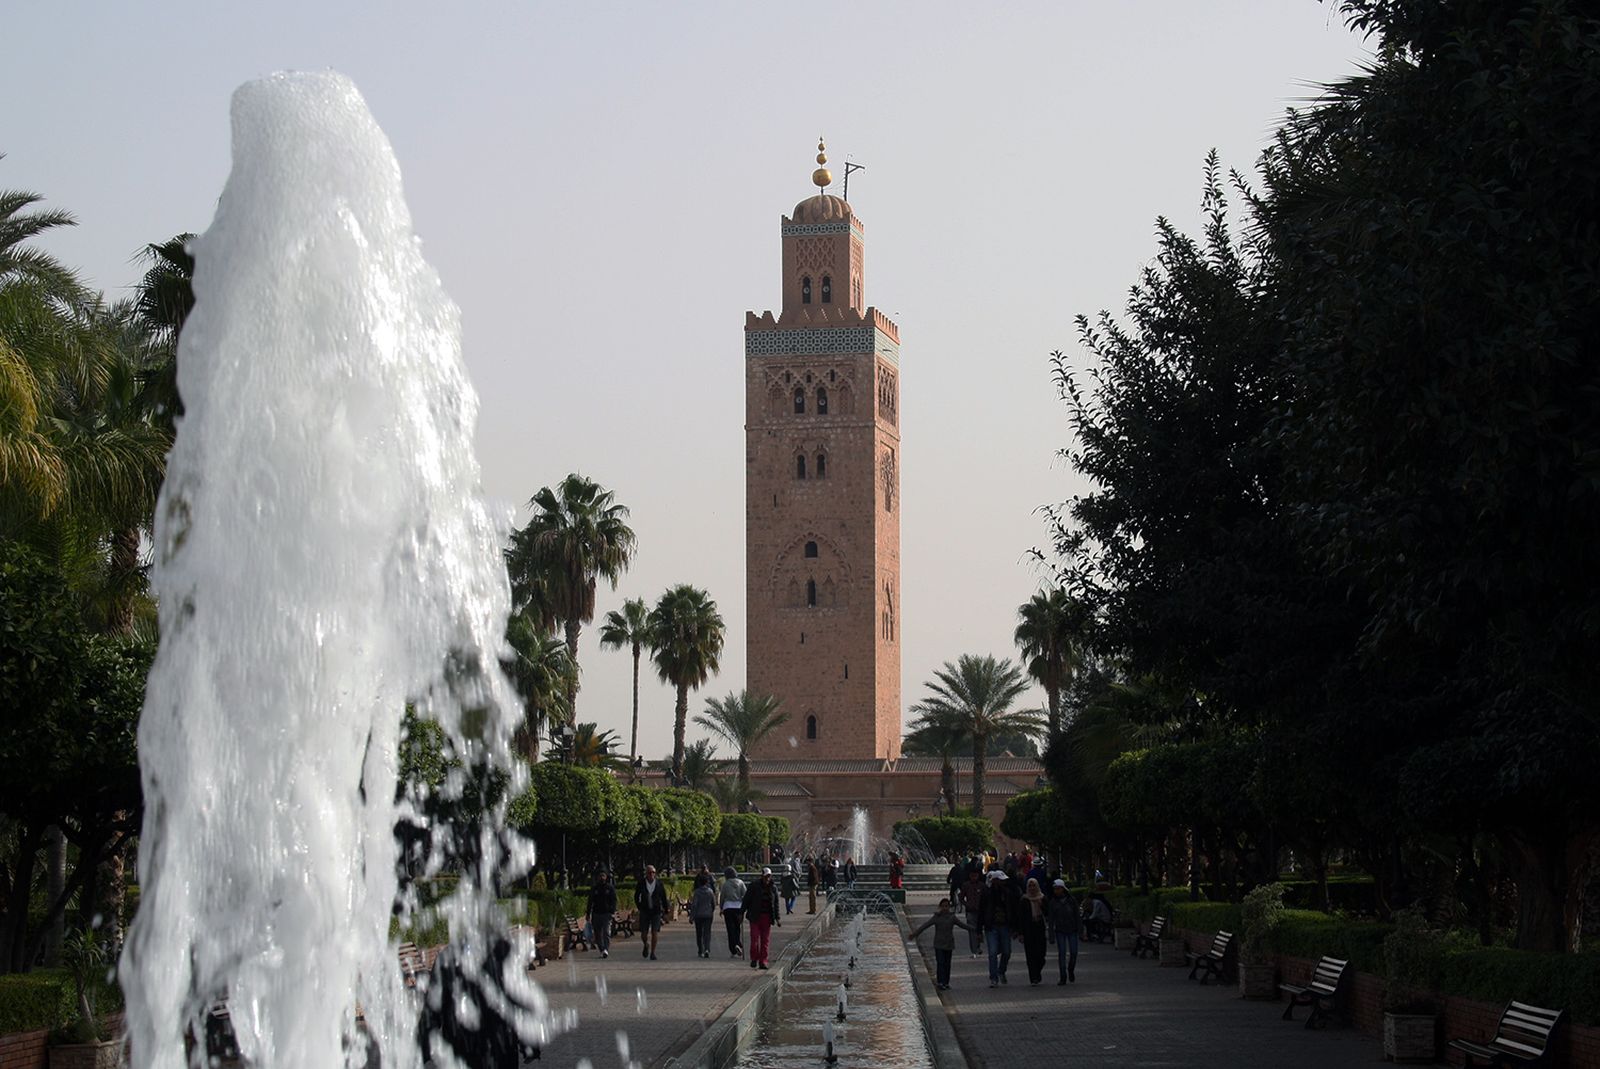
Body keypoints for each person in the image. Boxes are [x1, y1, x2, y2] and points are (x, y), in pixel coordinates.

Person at [909, 897, 972, 990]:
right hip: (939, 944)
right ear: (940, 907)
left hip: (949, 944)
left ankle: (946, 982)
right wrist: (915, 934)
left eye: (946, 906)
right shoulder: (936, 917)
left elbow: (962, 925)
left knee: (947, 964)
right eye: (943, 906)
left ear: (949, 907)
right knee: (940, 963)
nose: (945, 908)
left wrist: (974, 929)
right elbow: (925, 925)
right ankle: (940, 982)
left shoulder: (952, 917)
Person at [978, 869, 1018, 987]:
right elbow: (981, 912)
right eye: (1000, 880)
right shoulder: (987, 894)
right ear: (995, 881)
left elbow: (1014, 911)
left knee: (1006, 952)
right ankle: (993, 977)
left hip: (1005, 926)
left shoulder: (1008, 893)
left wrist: (1015, 928)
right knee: (992, 953)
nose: (1003, 882)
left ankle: (1001, 970)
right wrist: (979, 930)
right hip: (991, 926)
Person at [744, 867, 782, 970]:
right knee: (754, 939)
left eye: (769, 876)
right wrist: (741, 912)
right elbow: (746, 899)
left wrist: (777, 918)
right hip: (755, 916)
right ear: (762, 876)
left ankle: (763, 961)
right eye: (766, 876)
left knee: (765, 940)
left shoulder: (773, 888)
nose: (767, 879)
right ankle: (754, 958)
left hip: (767, 917)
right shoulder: (754, 886)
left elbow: (776, 904)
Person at [1047, 879, 1080, 984]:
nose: (1056, 891)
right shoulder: (1053, 902)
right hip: (1060, 930)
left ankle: (1070, 969)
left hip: (1072, 929)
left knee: (1074, 952)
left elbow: (1077, 915)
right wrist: (1051, 935)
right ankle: (1063, 976)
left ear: (1063, 889)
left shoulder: (1071, 900)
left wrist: (1081, 930)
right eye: (1055, 889)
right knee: (1062, 953)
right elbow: (1051, 920)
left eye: (1058, 889)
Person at [635, 864, 670, 960]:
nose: (651, 874)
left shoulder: (659, 884)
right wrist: (639, 906)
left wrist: (666, 910)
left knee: (654, 932)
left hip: (656, 911)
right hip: (645, 910)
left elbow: (663, 897)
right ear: (646, 873)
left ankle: (653, 953)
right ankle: (646, 944)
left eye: (653, 872)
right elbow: (636, 896)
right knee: (644, 933)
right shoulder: (641, 883)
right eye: (649, 872)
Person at [1021, 877, 1049, 984]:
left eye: (1034, 886)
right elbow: (1020, 917)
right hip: (1028, 928)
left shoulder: (1042, 898)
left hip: (1039, 926)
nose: (1032, 888)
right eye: (1030, 886)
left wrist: (1042, 905)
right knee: (1030, 953)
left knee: (1041, 953)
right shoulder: (1024, 900)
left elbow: (1048, 913)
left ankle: (1038, 970)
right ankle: (1033, 977)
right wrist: (1020, 932)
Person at [585, 869, 617, 959]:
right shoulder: (595, 888)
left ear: (606, 877)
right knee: (597, 933)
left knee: (606, 932)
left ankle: (606, 949)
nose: (601, 877)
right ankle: (602, 949)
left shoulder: (610, 888)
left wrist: (612, 911)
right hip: (596, 913)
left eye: (603, 876)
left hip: (606, 914)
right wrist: (588, 913)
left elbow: (614, 900)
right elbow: (590, 901)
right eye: (600, 876)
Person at [720, 865, 747, 957]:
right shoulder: (741, 883)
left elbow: (722, 896)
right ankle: (738, 942)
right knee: (737, 927)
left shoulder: (725, 884)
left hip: (728, 907)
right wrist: (744, 906)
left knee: (730, 928)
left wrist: (721, 907)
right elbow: (745, 895)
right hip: (738, 907)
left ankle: (733, 947)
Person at [690, 871, 718, 958]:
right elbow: (713, 903)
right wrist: (711, 911)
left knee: (699, 933)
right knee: (707, 933)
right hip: (708, 915)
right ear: (707, 882)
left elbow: (694, 905)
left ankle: (700, 950)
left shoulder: (697, 892)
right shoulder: (710, 891)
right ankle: (707, 949)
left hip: (698, 915)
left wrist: (691, 916)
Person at [959, 868, 985, 958]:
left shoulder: (982, 886)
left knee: (979, 930)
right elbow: (961, 897)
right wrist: (967, 904)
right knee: (972, 930)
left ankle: (978, 946)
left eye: (975, 876)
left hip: (980, 911)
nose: (974, 878)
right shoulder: (966, 885)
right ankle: (974, 950)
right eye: (972, 876)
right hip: (970, 911)